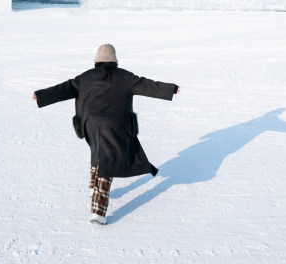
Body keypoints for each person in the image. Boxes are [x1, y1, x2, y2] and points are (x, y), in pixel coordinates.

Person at [33, 43, 180, 225]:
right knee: (107, 161)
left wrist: (42, 96)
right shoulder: (126, 77)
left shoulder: (86, 77)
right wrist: (170, 89)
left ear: (97, 61)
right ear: (114, 60)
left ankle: (93, 188)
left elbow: (65, 87)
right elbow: (147, 85)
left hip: (90, 124)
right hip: (115, 125)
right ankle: (98, 212)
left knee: (98, 152)